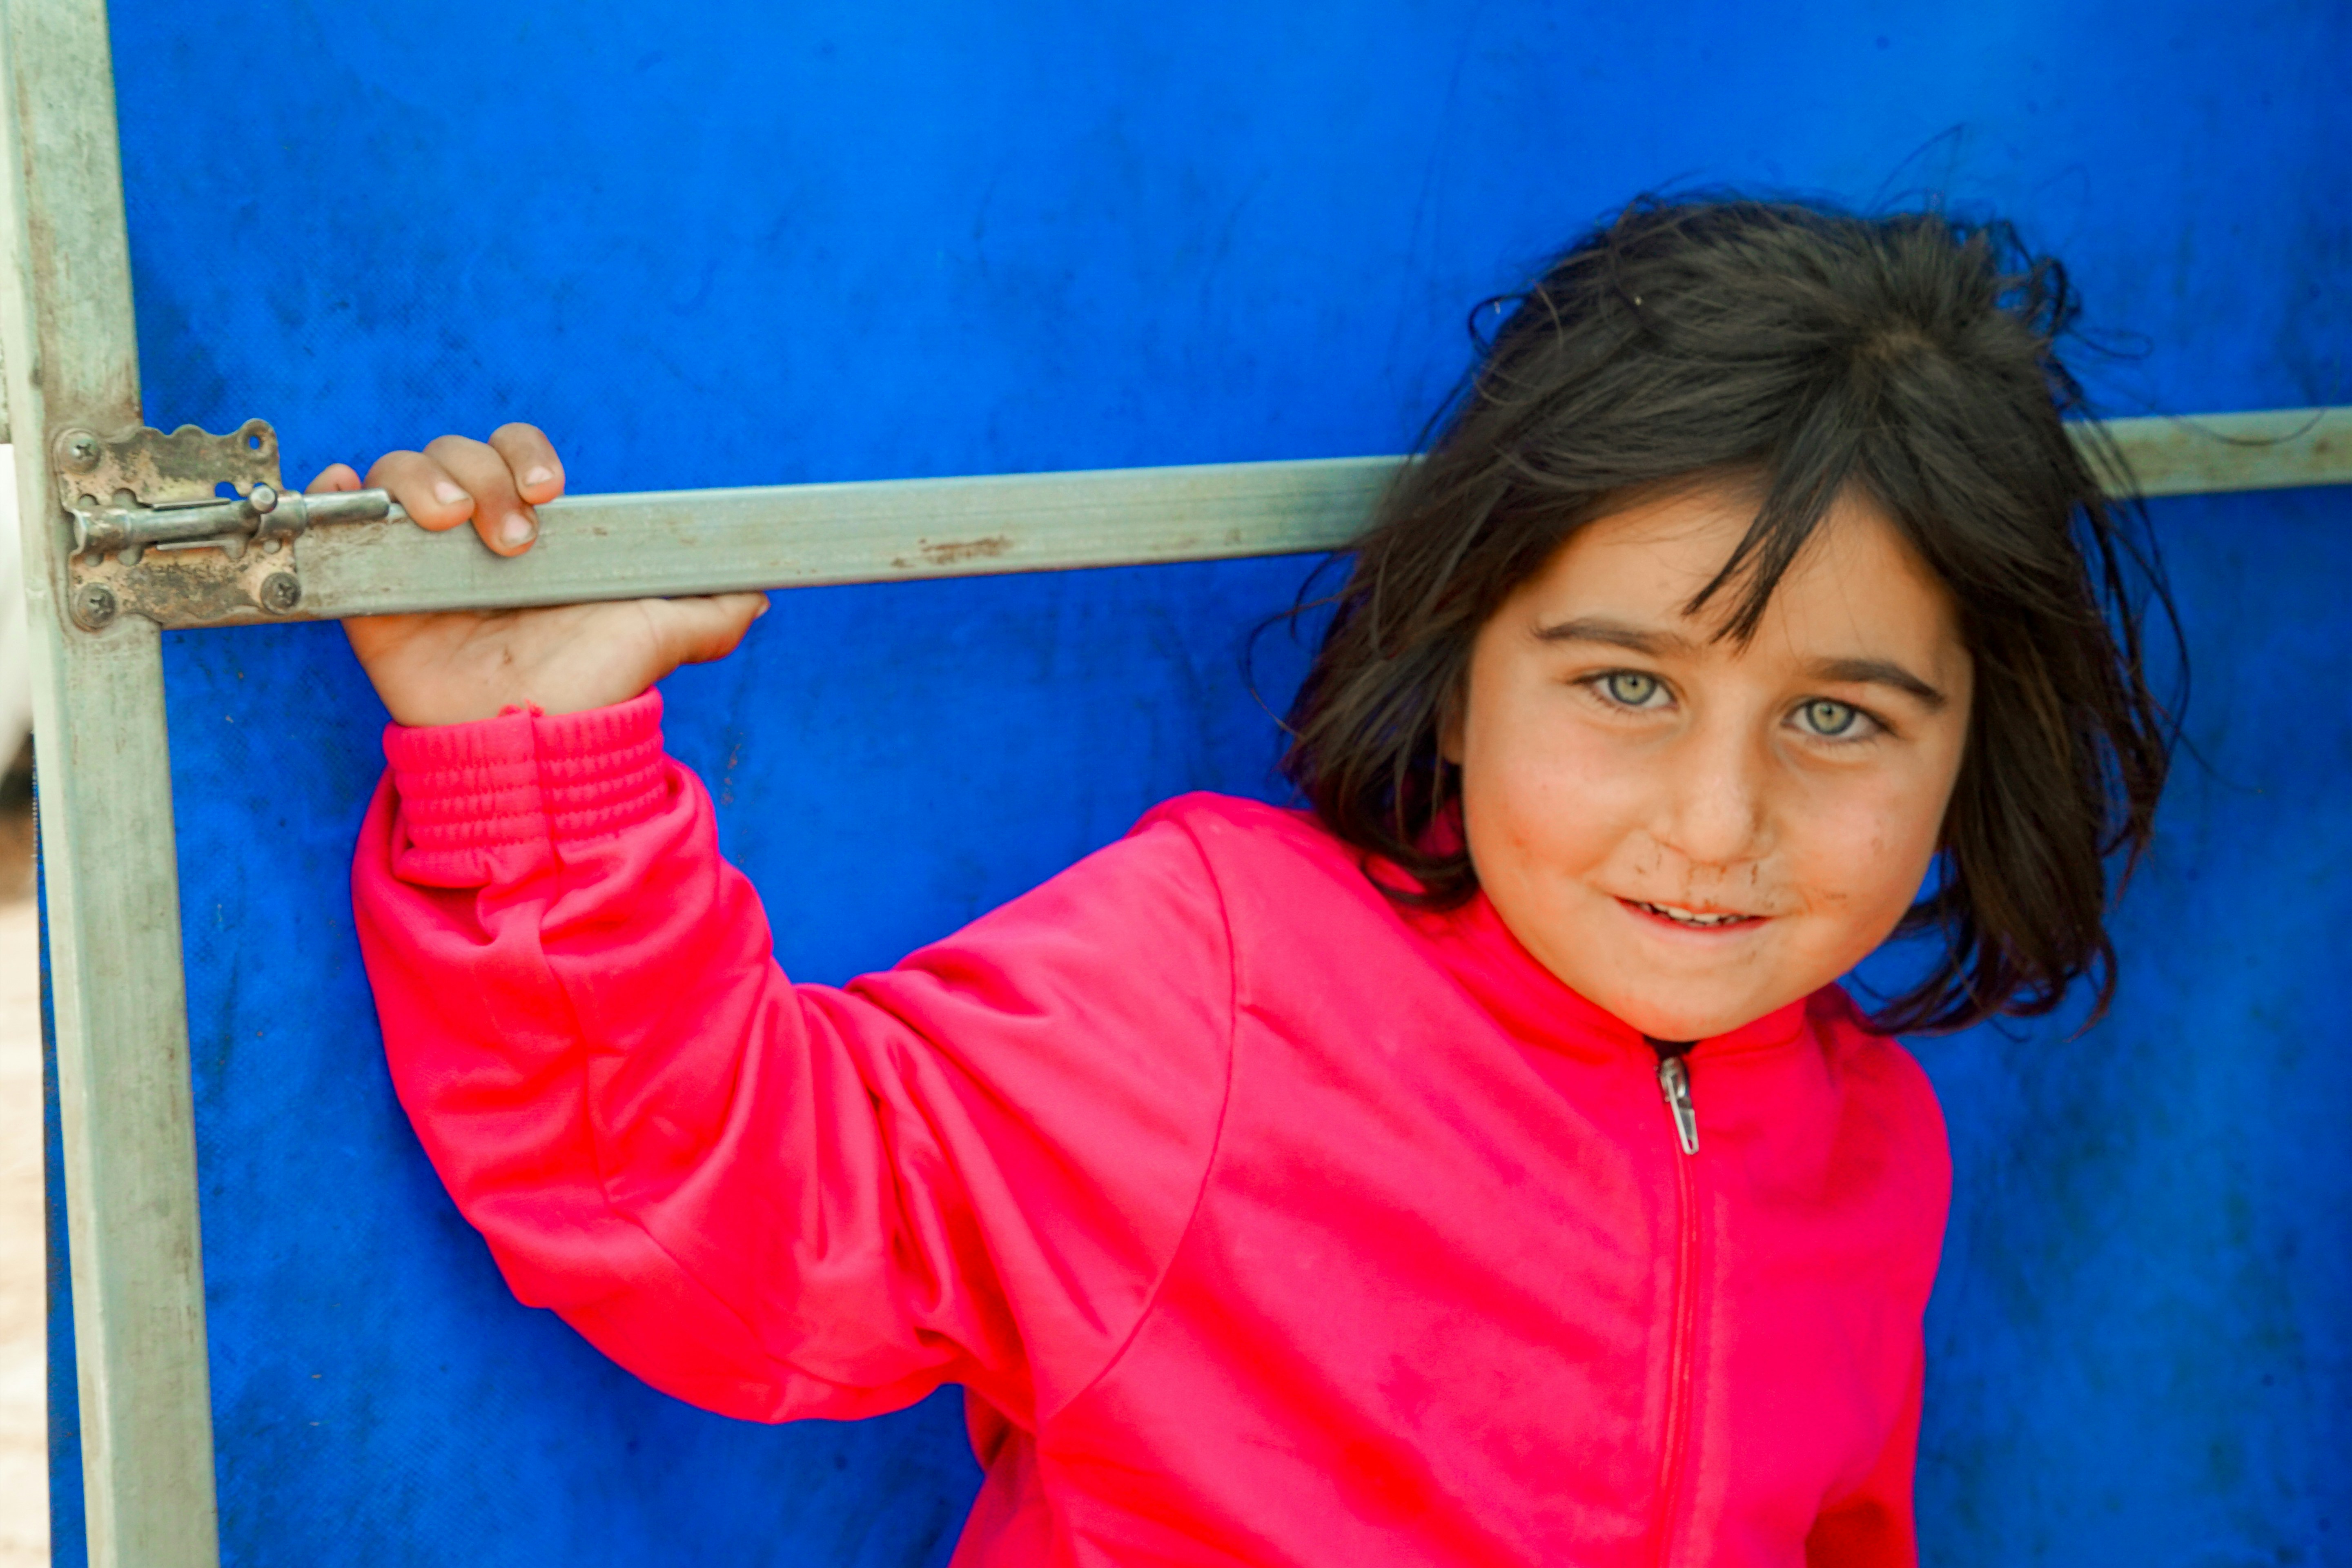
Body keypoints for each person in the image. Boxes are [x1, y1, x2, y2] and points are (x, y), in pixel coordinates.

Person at [321, 196, 2172, 1566]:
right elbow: (734, 1214)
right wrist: (535, 771)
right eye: (1626, 684)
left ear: (1968, 751)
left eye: (1841, 718)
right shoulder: (1221, 985)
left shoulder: (1873, 1137)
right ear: (1456, 675)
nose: (1713, 819)